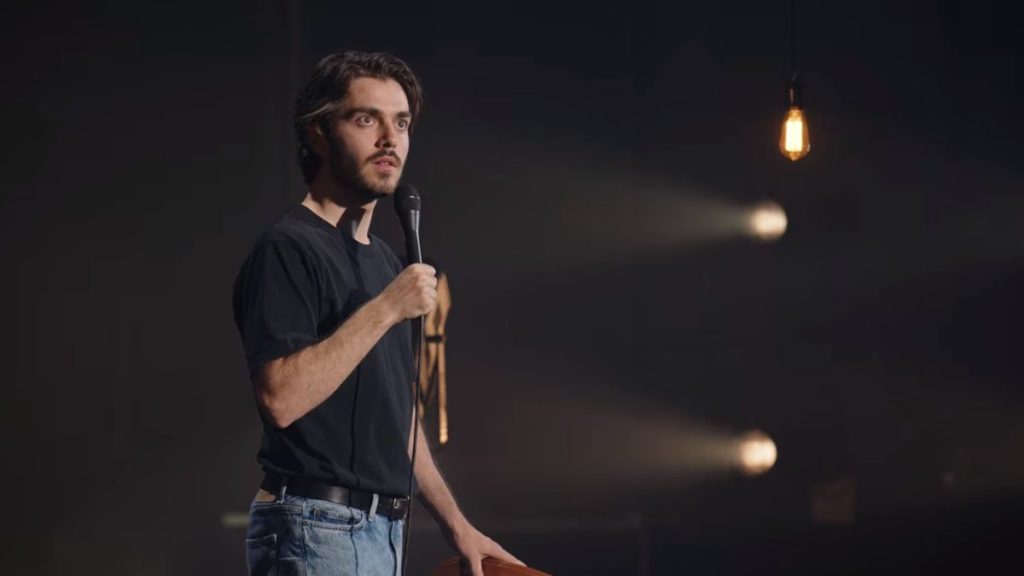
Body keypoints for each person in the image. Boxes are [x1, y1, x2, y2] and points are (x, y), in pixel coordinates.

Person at [233, 51, 522, 576]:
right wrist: (386, 308)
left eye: (402, 122)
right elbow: (280, 398)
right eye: (367, 119)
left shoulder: (385, 260)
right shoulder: (288, 249)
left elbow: (397, 418)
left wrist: (456, 523)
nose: (390, 138)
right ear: (318, 132)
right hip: (315, 526)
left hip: (381, 530)